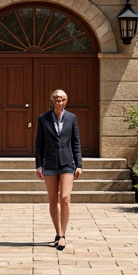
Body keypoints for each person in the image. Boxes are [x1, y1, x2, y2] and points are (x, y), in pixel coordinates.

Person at [34, 88, 83, 250]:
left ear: (66, 101)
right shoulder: (43, 118)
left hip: (67, 162)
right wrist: (39, 165)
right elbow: (39, 144)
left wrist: (79, 164)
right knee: (53, 199)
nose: (59, 101)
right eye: (56, 98)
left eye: (62, 99)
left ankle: (63, 235)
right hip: (50, 163)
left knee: (65, 198)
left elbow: (76, 142)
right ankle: (58, 233)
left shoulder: (72, 118)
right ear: (52, 100)